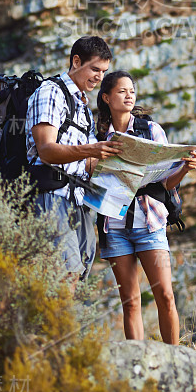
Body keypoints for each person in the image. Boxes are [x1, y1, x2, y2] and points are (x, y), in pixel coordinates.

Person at [96, 70, 196, 344]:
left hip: (150, 223)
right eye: (121, 91)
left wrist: (185, 169)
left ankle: (176, 361)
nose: (129, 95)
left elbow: (166, 184)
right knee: (130, 302)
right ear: (106, 97)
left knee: (165, 295)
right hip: (114, 227)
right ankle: (137, 365)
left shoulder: (150, 130)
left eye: (132, 90)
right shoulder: (96, 135)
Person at [25, 36, 124, 285]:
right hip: (50, 194)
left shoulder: (82, 105)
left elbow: (88, 161)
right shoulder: (50, 93)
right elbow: (46, 150)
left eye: (104, 71)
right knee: (65, 274)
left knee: (79, 274)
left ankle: (62, 323)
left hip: (77, 200)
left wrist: (127, 167)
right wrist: (91, 149)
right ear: (76, 61)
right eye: (94, 69)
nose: (100, 78)